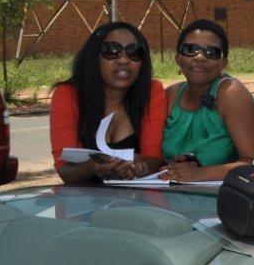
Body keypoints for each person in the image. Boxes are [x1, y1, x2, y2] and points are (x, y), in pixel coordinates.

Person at [50, 22, 167, 183]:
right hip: (84, 197)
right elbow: (65, 171)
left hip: (137, 197)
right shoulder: (68, 95)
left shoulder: (152, 91)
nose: (123, 60)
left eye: (134, 52)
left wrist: (140, 168)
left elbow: (154, 159)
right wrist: (93, 167)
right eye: (111, 51)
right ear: (94, 57)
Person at [161, 19, 254, 181]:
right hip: (169, 192)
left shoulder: (230, 94)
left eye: (211, 52)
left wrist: (200, 174)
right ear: (178, 58)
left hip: (221, 193)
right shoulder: (171, 95)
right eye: (190, 49)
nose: (200, 57)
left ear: (224, 63)